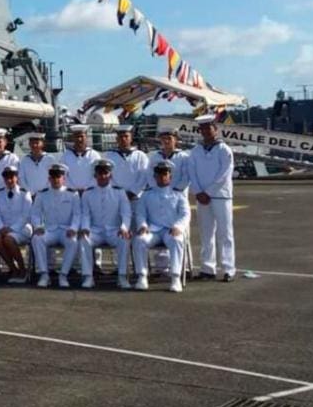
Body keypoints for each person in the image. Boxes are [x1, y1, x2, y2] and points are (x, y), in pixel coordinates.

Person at [188, 114, 236, 282]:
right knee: (206, 233)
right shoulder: (195, 150)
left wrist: (208, 191)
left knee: (225, 233)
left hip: (220, 195)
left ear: (216, 130)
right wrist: (198, 191)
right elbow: (191, 173)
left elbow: (225, 173)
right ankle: (208, 268)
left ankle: (228, 268)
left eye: (209, 128)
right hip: (202, 197)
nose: (206, 131)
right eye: (203, 129)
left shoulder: (224, 150)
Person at [133, 162, 190, 292]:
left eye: (165, 174)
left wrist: (178, 227)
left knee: (177, 240)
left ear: (170, 176)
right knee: (139, 240)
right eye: (159, 174)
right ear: (154, 176)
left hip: (171, 230)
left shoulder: (178, 194)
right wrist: (142, 225)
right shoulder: (147, 194)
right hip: (153, 230)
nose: (162, 177)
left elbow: (185, 214)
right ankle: (142, 276)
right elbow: (140, 213)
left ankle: (175, 278)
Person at [78, 160, 132, 290]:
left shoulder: (119, 192)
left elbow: (126, 213)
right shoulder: (88, 193)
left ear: (110, 175)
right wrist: (85, 227)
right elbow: (85, 214)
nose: (102, 176)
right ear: (95, 176)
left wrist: (124, 227)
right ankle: (88, 276)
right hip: (95, 231)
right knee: (84, 238)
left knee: (124, 239)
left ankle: (122, 276)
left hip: (114, 230)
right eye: (99, 174)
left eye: (105, 173)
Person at [29, 162, 81, 288]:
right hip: (49, 230)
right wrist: (38, 227)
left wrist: (74, 228)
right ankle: (44, 274)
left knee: (73, 241)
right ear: (49, 179)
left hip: (66, 230)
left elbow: (77, 214)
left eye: (59, 177)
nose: (56, 180)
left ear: (64, 178)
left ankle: (63, 275)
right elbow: (35, 214)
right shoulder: (42, 194)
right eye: (53, 177)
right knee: (37, 238)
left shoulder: (72, 194)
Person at [0, 165, 33, 284]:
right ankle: (13, 269)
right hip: (3, 227)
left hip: (22, 228)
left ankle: (23, 270)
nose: (9, 180)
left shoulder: (25, 193)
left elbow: (26, 215)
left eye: (12, 177)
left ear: (17, 178)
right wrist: (0, 227)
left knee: (9, 240)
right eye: (6, 178)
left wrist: (12, 229)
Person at [104, 126, 149, 201]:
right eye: (120, 137)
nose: (123, 139)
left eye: (126, 136)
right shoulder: (109, 156)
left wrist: (133, 192)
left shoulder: (140, 155)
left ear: (131, 138)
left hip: (136, 197)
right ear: (116, 139)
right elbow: (107, 176)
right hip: (115, 197)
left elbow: (144, 176)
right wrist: (117, 192)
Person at [147, 128, 191, 197]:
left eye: (169, 138)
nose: (166, 141)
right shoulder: (154, 157)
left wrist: (176, 190)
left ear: (175, 140)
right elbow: (150, 175)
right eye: (163, 138)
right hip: (159, 195)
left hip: (178, 195)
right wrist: (156, 189)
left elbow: (187, 177)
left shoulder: (183, 157)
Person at [60, 125, 101, 194]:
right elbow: (63, 175)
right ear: (73, 138)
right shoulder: (65, 156)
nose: (79, 139)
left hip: (90, 193)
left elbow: (98, 174)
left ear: (86, 137)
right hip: (71, 194)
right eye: (76, 136)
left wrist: (86, 189)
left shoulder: (94, 155)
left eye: (81, 136)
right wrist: (74, 189)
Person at [18, 132, 56, 198]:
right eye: (32, 143)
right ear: (29, 144)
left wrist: (43, 192)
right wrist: (30, 192)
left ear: (43, 144)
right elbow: (21, 178)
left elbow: (53, 177)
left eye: (37, 143)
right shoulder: (25, 160)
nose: (34, 145)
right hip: (30, 196)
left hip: (47, 195)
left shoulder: (50, 159)